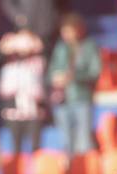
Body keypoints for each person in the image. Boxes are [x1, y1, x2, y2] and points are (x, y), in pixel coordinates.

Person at [48, 13, 101, 156]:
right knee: (66, 141)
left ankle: (83, 173)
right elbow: (51, 69)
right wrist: (55, 78)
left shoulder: (89, 46)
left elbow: (95, 72)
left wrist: (74, 77)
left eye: (69, 30)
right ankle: (70, 173)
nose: (66, 34)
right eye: (64, 31)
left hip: (81, 97)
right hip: (62, 99)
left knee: (83, 141)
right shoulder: (60, 48)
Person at [0, 29, 48, 155]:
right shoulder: (6, 61)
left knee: (36, 146)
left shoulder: (39, 60)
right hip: (12, 111)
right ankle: (15, 173)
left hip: (34, 110)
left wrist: (36, 46)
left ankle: (39, 173)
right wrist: (3, 49)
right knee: (15, 146)